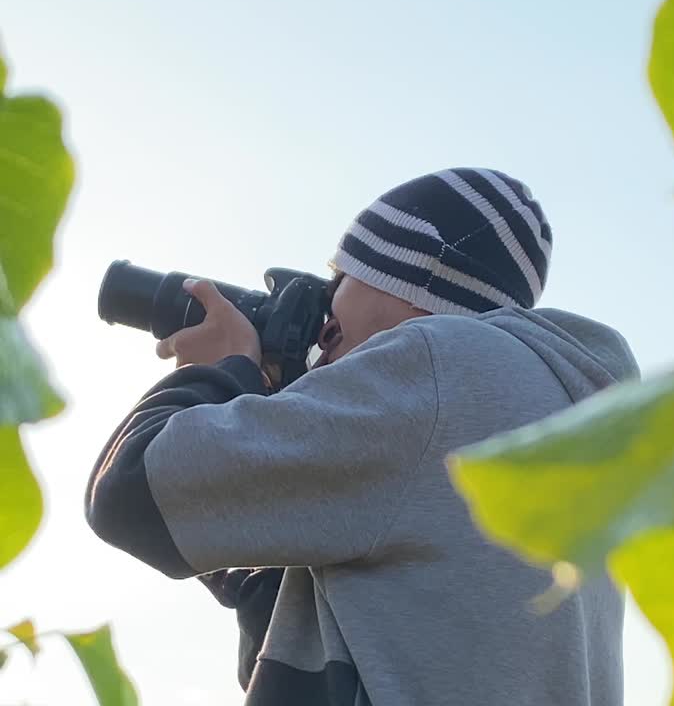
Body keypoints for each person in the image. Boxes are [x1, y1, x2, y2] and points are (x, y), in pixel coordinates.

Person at [86, 168, 639, 706]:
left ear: (411, 276)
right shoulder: (557, 421)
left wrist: (222, 368)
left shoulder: (436, 367)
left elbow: (131, 493)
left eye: (340, 279)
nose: (326, 314)